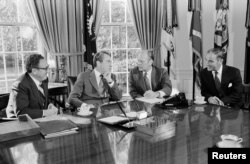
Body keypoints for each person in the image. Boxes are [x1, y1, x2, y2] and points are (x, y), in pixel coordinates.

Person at [7, 54, 58, 119]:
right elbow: (21, 113)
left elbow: (41, 100)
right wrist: (45, 112)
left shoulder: (44, 79)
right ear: (34, 71)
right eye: (45, 68)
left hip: (39, 120)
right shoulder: (20, 84)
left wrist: (49, 105)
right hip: (18, 123)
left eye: (47, 67)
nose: (48, 71)